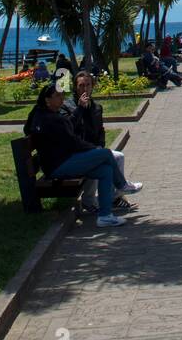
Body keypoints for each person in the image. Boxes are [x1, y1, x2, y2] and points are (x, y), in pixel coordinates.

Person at [23, 82, 142, 228]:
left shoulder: (43, 113)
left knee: (106, 170)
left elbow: (34, 128)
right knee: (105, 154)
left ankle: (105, 216)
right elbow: (74, 143)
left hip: (61, 160)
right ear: (47, 100)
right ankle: (122, 185)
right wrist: (95, 149)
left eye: (62, 95)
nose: (61, 99)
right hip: (58, 165)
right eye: (57, 96)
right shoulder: (51, 119)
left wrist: (79, 109)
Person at [70, 71, 135, 215]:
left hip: (93, 147)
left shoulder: (96, 107)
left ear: (93, 86)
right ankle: (89, 201)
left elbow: (99, 130)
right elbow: (70, 128)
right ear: (76, 87)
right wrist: (80, 109)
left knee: (119, 156)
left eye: (88, 85)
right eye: (81, 85)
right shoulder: (71, 106)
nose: (85, 89)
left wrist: (100, 145)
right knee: (99, 161)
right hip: (77, 151)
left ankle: (115, 196)